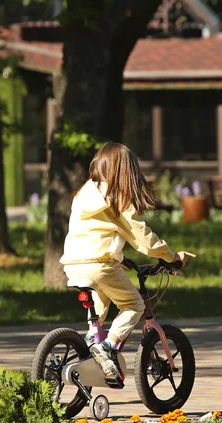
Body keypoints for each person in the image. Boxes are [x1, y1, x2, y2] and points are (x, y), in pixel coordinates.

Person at [60, 142, 195, 385]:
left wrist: (116, 258)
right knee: (134, 305)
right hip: (99, 263)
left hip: (73, 262)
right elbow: (142, 238)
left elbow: (93, 232)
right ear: (126, 171)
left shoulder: (84, 193)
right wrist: (171, 257)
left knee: (101, 303)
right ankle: (108, 348)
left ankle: (93, 342)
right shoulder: (118, 197)